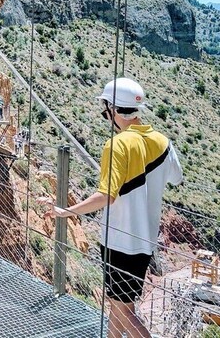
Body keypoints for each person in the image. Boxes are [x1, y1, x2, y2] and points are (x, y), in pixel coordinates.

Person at [42, 78, 182, 338]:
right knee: (119, 307)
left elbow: (106, 196)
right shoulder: (163, 142)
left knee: (125, 312)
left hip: (119, 241)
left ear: (114, 109)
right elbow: (176, 177)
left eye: (105, 108)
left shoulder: (117, 145)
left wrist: (66, 211)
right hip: (145, 241)